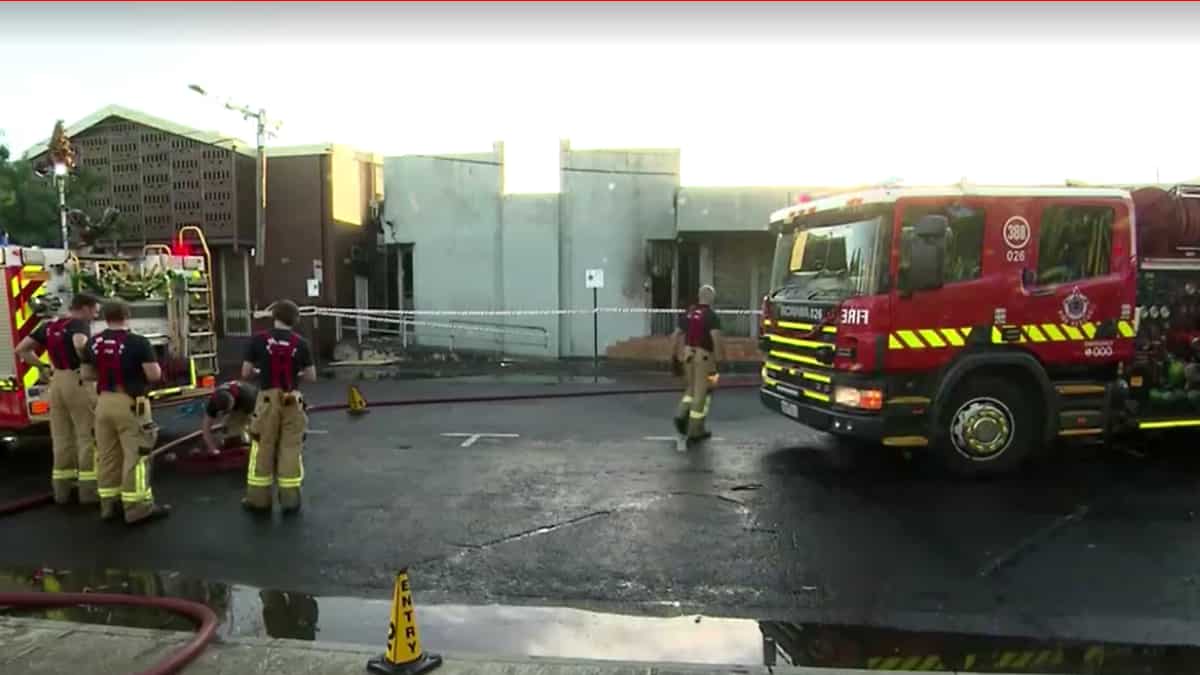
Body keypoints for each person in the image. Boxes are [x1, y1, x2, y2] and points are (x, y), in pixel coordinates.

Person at [82, 298, 170, 524]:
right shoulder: (138, 342)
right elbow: (153, 375)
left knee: (108, 455)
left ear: (105, 317)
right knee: (136, 455)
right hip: (130, 403)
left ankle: (109, 506)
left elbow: (87, 375)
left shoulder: (93, 343)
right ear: (127, 315)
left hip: (103, 403)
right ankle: (137, 507)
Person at [16, 293, 100, 504]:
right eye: (95, 310)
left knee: (61, 437)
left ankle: (62, 491)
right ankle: (88, 492)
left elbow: (22, 349)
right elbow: (80, 344)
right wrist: (91, 362)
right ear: (85, 308)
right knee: (86, 435)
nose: (95, 315)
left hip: (57, 381)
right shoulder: (79, 324)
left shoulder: (50, 325)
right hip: (77, 380)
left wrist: (42, 366)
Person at [242, 300, 316, 514]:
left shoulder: (258, 340)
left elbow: (245, 373)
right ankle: (290, 500)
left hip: (266, 401)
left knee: (262, 447)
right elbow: (311, 376)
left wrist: (260, 371)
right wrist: (296, 373)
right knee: (290, 449)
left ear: (274, 316)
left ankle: (258, 500)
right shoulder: (301, 343)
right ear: (295, 319)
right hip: (292, 401)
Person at [670, 285, 724, 443]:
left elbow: (675, 335)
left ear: (699, 297)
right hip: (704, 357)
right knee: (701, 392)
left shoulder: (689, 313)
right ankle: (694, 431)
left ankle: (680, 415)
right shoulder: (711, 316)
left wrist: (675, 355)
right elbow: (716, 340)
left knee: (691, 389)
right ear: (711, 298)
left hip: (688, 355)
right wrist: (720, 360)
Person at [197, 379, 259, 457]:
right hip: (238, 403)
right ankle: (241, 445)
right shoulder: (214, 402)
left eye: (227, 411)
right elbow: (205, 429)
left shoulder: (247, 398)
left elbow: (257, 421)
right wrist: (213, 449)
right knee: (230, 434)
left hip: (254, 402)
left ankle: (251, 449)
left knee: (253, 429)